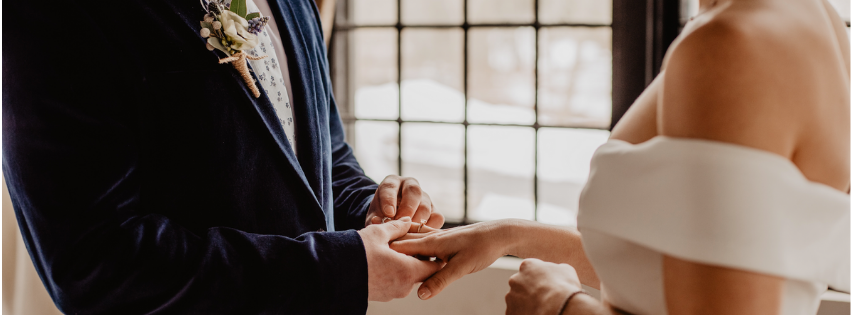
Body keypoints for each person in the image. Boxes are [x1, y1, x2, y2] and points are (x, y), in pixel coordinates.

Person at [391, 0, 850, 314]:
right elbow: (688, 265)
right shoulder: (813, 23)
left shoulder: (733, 46)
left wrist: (559, 305)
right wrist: (508, 236)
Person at [2, 0, 444, 313]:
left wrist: (371, 205)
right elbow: (95, 264)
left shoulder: (296, 5)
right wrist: (338, 269)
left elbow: (321, 155)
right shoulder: (58, 10)